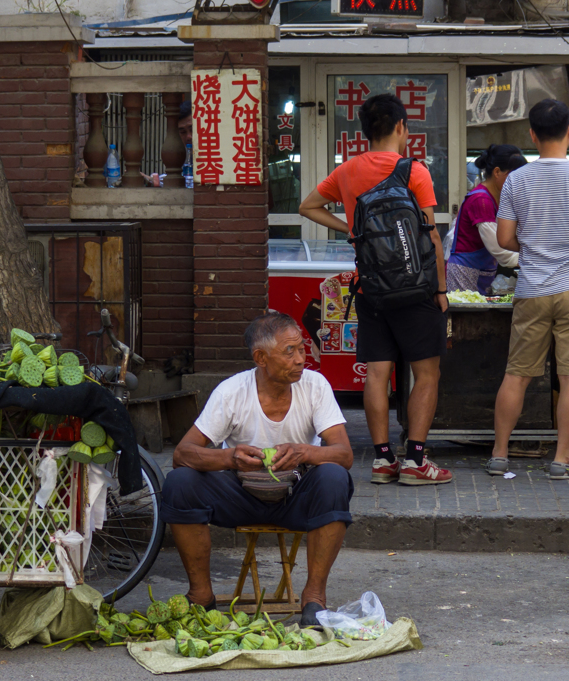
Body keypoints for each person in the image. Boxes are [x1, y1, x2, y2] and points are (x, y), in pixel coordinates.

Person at [297, 93, 451, 487]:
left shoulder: (347, 171)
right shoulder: (413, 171)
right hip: (415, 289)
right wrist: (441, 289)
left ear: (365, 132)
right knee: (426, 374)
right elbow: (430, 236)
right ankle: (416, 460)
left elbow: (307, 206)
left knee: (377, 374)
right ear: (401, 127)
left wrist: (352, 229)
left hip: (371, 289)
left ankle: (383, 461)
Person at [163, 312, 354, 625]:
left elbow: (344, 454)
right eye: (289, 351)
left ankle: (314, 599)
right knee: (180, 482)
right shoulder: (232, 392)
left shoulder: (315, 386)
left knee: (334, 476)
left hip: (296, 495)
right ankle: (201, 595)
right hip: (239, 495)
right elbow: (183, 453)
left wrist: (305, 451)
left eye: (302, 349)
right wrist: (230, 458)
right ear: (261, 358)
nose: (300, 359)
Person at [489, 99, 569, 480]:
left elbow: (504, 238)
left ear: (531, 134)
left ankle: (499, 455)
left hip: (532, 287)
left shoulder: (516, 179)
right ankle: (561, 460)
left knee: (517, 373)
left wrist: (534, 246)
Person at [447, 144, 526, 294]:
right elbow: (499, 248)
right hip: (464, 273)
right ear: (497, 172)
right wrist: (534, 260)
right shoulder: (481, 200)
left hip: (481, 272)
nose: (519, 182)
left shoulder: (496, 199)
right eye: (515, 176)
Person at [142, 100, 192, 186]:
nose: (189, 137)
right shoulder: (182, 155)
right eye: (183, 132)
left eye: (192, 130)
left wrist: (152, 180)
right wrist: (150, 180)